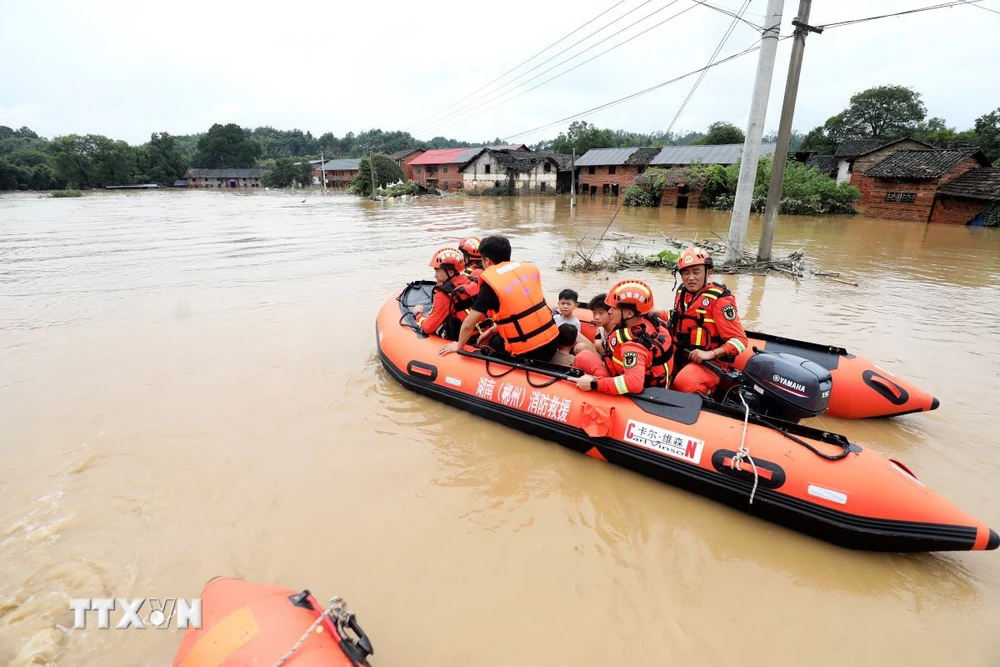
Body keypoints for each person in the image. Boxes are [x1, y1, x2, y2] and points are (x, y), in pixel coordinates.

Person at [439, 235, 560, 362]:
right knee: (495, 335)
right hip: (553, 342)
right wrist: (493, 329)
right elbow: (524, 311)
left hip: (530, 353)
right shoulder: (529, 269)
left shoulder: (490, 284)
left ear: (487, 261)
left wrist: (458, 345)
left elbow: (469, 324)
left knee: (491, 343)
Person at [667, 246, 748, 396]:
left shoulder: (720, 300)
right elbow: (679, 319)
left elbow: (740, 341)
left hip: (711, 362)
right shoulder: (682, 293)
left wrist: (710, 354)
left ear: (708, 273)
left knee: (684, 382)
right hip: (683, 353)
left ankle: (711, 393)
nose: (690, 277)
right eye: (686, 272)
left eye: (696, 272)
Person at [572, 279, 674, 395]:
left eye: (613, 308)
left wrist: (594, 383)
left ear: (629, 313)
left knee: (582, 357)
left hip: (635, 395)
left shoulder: (633, 346)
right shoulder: (651, 323)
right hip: (646, 379)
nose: (609, 311)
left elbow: (634, 384)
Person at [413, 247, 480, 340]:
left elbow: (428, 327)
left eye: (437, 271)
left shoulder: (444, 295)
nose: (435, 275)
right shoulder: (471, 282)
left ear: (450, 272)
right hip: (481, 334)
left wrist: (418, 314)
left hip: (465, 340)